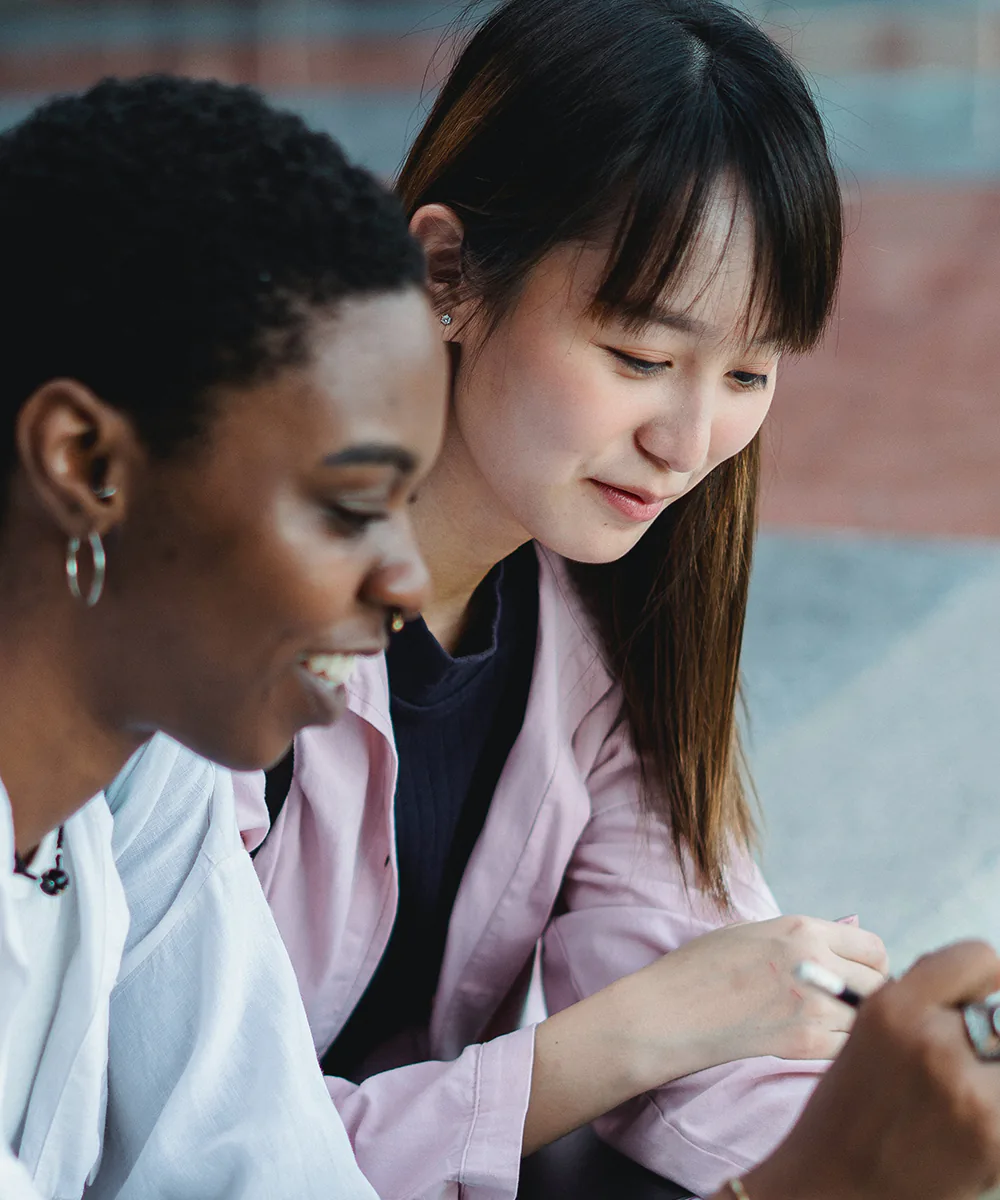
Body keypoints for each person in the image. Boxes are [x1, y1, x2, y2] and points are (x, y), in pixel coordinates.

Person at [233, 1, 891, 1197]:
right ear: (448, 273)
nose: (691, 439)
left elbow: (723, 1019)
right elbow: (179, 1143)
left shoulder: (591, 631)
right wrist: (618, 1040)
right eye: (640, 356)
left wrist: (897, 1131)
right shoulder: (201, 627)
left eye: (749, 372)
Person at [0, 74, 447, 1197]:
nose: (408, 579)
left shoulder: (140, 776)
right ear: (86, 463)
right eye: (351, 506)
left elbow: (260, 1165)